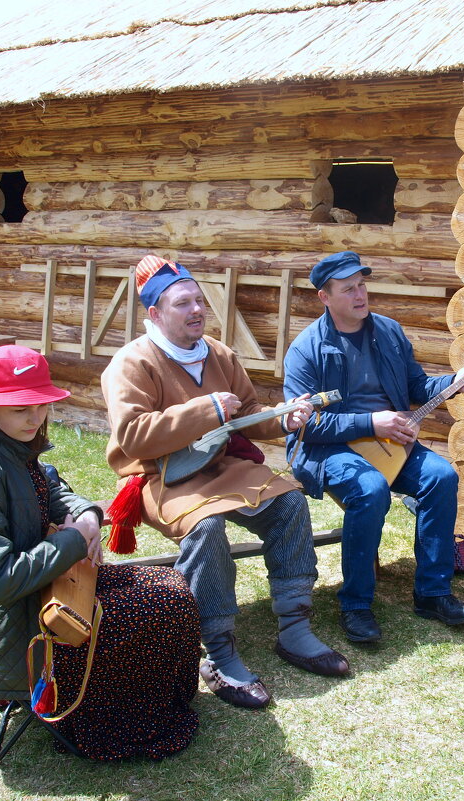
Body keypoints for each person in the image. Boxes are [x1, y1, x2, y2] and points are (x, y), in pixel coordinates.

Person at [101, 255, 349, 710]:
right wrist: (204, 410)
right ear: (154, 313)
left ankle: (294, 629)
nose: (196, 310)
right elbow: (133, 437)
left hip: (220, 464)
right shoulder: (131, 364)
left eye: (199, 300)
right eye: (182, 304)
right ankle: (217, 652)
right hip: (163, 476)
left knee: (289, 502)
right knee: (207, 528)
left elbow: (248, 418)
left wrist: (284, 420)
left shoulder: (219, 354)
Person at [0, 345, 200, 760]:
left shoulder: (16, 448)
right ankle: (114, 720)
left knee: (172, 585)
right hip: (13, 630)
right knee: (155, 605)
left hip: (43, 592)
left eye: (40, 404)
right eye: (20, 407)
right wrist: (75, 541)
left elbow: (54, 492)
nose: (35, 417)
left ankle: (161, 702)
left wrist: (88, 515)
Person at [282, 251, 464, 643]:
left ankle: (432, 593)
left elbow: (415, 387)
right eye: (348, 289)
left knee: (441, 476)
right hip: (328, 449)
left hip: (388, 443)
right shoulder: (306, 350)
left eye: (362, 285)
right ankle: (356, 605)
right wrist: (371, 422)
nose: (360, 295)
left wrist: (453, 381)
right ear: (325, 297)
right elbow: (306, 426)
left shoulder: (389, 332)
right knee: (370, 489)